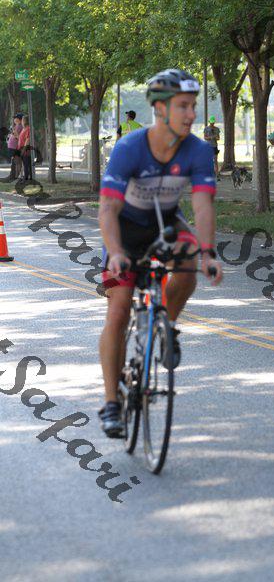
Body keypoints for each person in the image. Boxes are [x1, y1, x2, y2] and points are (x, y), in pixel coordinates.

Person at [98, 69, 223, 437]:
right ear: (160, 109)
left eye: (193, 106)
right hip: (124, 231)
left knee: (188, 257)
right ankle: (111, 403)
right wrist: (115, 252)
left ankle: (165, 324)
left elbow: (202, 205)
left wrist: (208, 253)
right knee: (118, 309)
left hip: (165, 223)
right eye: (183, 106)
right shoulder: (129, 148)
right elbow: (107, 208)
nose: (191, 114)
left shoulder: (198, 150)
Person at [7, 115, 23, 180]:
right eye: (14, 118)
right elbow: (14, 135)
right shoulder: (16, 126)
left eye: (16, 118)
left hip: (15, 147)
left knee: (17, 162)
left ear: (20, 119)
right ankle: (13, 175)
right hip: (12, 146)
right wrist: (11, 135)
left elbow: (19, 137)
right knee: (14, 162)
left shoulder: (20, 126)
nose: (14, 119)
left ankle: (16, 176)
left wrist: (13, 134)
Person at [18, 116, 32, 181]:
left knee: (26, 164)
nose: (21, 122)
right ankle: (25, 176)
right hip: (21, 148)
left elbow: (27, 139)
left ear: (25, 121)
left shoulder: (28, 129)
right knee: (24, 163)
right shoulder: (24, 129)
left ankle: (26, 177)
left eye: (22, 120)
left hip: (25, 149)